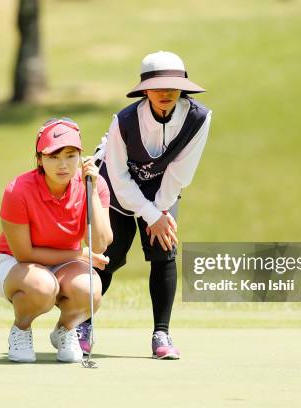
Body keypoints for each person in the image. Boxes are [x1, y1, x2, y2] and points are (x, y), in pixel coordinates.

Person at [78, 51, 212, 359]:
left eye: (172, 86)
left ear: (183, 88)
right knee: (107, 257)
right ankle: (81, 325)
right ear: (145, 90)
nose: (165, 93)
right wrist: (151, 214)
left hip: (164, 189)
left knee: (164, 252)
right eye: (158, 87)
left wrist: (158, 213)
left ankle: (161, 335)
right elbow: (120, 179)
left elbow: (181, 173)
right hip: (116, 184)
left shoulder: (199, 118)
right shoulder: (123, 121)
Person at [0, 118, 113, 363]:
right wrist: (79, 255)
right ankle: (21, 329)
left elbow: (100, 244)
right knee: (42, 286)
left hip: (63, 261)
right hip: (14, 262)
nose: (63, 165)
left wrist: (93, 191)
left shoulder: (93, 185)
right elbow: (25, 254)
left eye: (70, 155)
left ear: (80, 156)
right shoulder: (18, 190)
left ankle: (66, 330)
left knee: (89, 290)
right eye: (53, 156)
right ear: (39, 160)